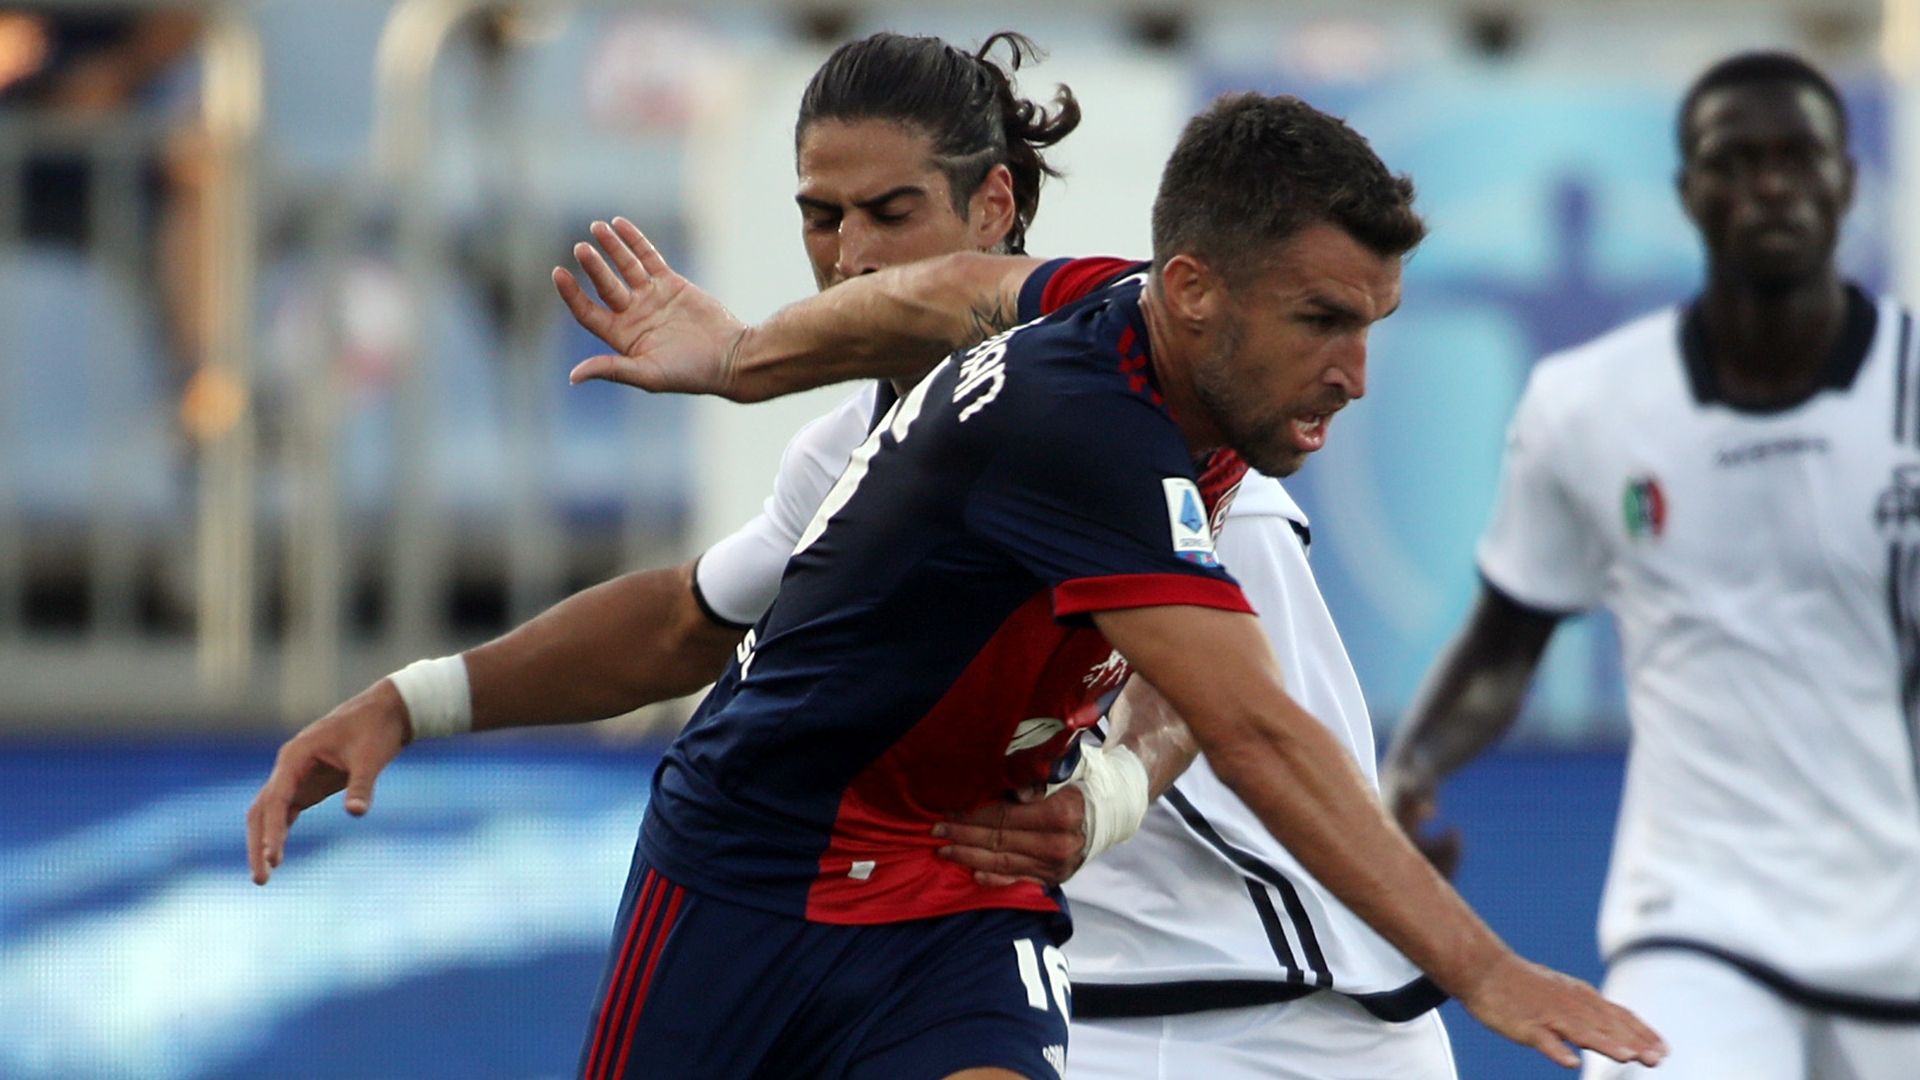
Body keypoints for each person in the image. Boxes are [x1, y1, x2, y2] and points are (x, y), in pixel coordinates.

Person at [553, 89, 1666, 1078]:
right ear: (1194, 293)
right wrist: (1486, 968)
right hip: (775, 877)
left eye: (1371, 324)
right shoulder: (1085, 435)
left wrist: (748, 356)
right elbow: (1258, 732)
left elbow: (948, 294)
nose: (1358, 375)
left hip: (1106, 947)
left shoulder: (1139, 333)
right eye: (1324, 321)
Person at [1379, 51, 1920, 1079]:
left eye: (1798, 157)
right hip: (1698, 925)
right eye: (1735, 160)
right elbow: (1505, 641)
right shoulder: (1588, 405)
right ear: (1687, 192)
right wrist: (1408, 773)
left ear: (1848, 181)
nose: (1770, 184)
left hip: (1904, 921)